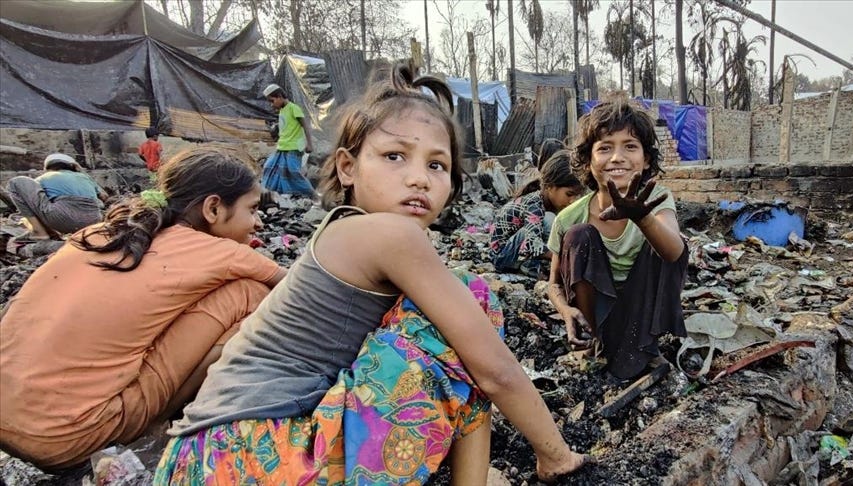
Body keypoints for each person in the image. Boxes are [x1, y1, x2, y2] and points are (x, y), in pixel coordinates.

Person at [155, 65, 592, 485]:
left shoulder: (340, 232)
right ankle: (538, 464)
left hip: (201, 460)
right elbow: (495, 370)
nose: (418, 178)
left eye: (436, 165)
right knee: (472, 296)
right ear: (347, 166)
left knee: (455, 311)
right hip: (257, 456)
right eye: (394, 156)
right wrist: (555, 450)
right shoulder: (393, 235)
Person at [0, 147, 288, 471]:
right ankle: (160, 422)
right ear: (213, 208)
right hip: (69, 435)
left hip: (7, 414)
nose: (258, 223)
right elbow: (302, 291)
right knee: (250, 292)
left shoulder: (99, 233)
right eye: (251, 210)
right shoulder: (223, 252)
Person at [546, 97, 689, 380]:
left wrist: (642, 218)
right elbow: (552, 284)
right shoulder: (569, 218)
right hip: (597, 315)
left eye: (630, 146)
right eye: (605, 148)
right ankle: (595, 342)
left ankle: (646, 343)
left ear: (646, 159)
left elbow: (674, 254)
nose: (617, 157)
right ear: (588, 161)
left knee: (670, 242)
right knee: (579, 236)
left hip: (642, 311)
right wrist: (565, 312)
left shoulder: (656, 203)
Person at [490, 150, 581, 278]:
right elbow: (531, 244)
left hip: (514, 252)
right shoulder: (534, 205)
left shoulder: (548, 203)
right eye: (569, 194)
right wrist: (564, 259)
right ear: (550, 187)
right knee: (549, 220)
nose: (573, 201)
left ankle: (533, 265)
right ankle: (530, 267)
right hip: (502, 258)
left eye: (577, 195)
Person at [5, 153, 107, 239]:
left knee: (15, 183)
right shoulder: (84, 177)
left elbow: (27, 198)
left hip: (62, 218)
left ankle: (39, 232)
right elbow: (104, 196)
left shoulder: (45, 177)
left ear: (47, 168)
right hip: (94, 221)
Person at [261, 83, 316, 197]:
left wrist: (309, 144)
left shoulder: (293, 108)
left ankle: (311, 194)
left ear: (280, 96)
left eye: (272, 101)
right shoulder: (282, 110)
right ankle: (274, 193)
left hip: (294, 147)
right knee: (269, 167)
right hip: (283, 147)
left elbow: (305, 126)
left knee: (293, 172)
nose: (271, 105)